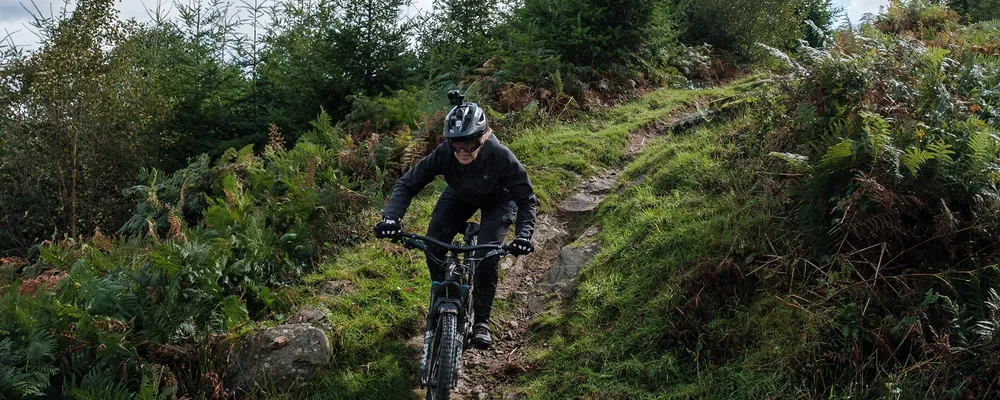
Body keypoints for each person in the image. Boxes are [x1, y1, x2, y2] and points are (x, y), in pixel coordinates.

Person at [373, 91, 537, 349]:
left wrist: (523, 236)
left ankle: (482, 320)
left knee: (487, 257)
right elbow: (407, 184)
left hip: (498, 201)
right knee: (434, 245)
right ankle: (443, 294)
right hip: (459, 194)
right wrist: (391, 219)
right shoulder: (444, 153)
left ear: (482, 137)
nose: (461, 150)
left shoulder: (501, 157)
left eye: (469, 143)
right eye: (455, 144)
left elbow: (527, 199)